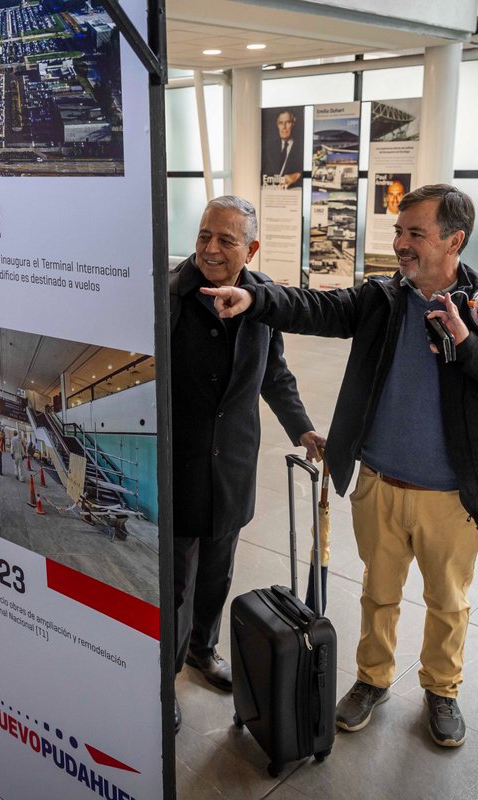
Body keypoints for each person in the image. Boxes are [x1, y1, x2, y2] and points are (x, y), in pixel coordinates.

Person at [202, 184, 478, 748]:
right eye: (399, 231)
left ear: (454, 241)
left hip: (451, 495)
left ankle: (442, 690)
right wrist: (257, 299)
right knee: (378, 593)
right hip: (378, 481)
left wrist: (469, 345)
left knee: (447, 602)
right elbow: (319, 308)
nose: (400, 243)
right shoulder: (384, 297)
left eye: (415, 233)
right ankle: (372, 680)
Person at [170, 195, 325, 733]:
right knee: (176, 582)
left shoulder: (261, 300)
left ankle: (202, 650)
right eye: (204, 235)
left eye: (226, 240)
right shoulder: (169, 295)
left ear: (251, 249)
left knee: (218, 568)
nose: (210, 248)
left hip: (233, 461)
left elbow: (274, 373)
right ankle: (165, 677)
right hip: (179, 462)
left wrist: (301, 427)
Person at [261, 109, 303, 189]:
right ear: (277, 125)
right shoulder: (269, 148)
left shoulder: (302, 148)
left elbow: (310, 172)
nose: (284, 127)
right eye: (281, 123)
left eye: (288, 122)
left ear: (293, 123)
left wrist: (298, 175)